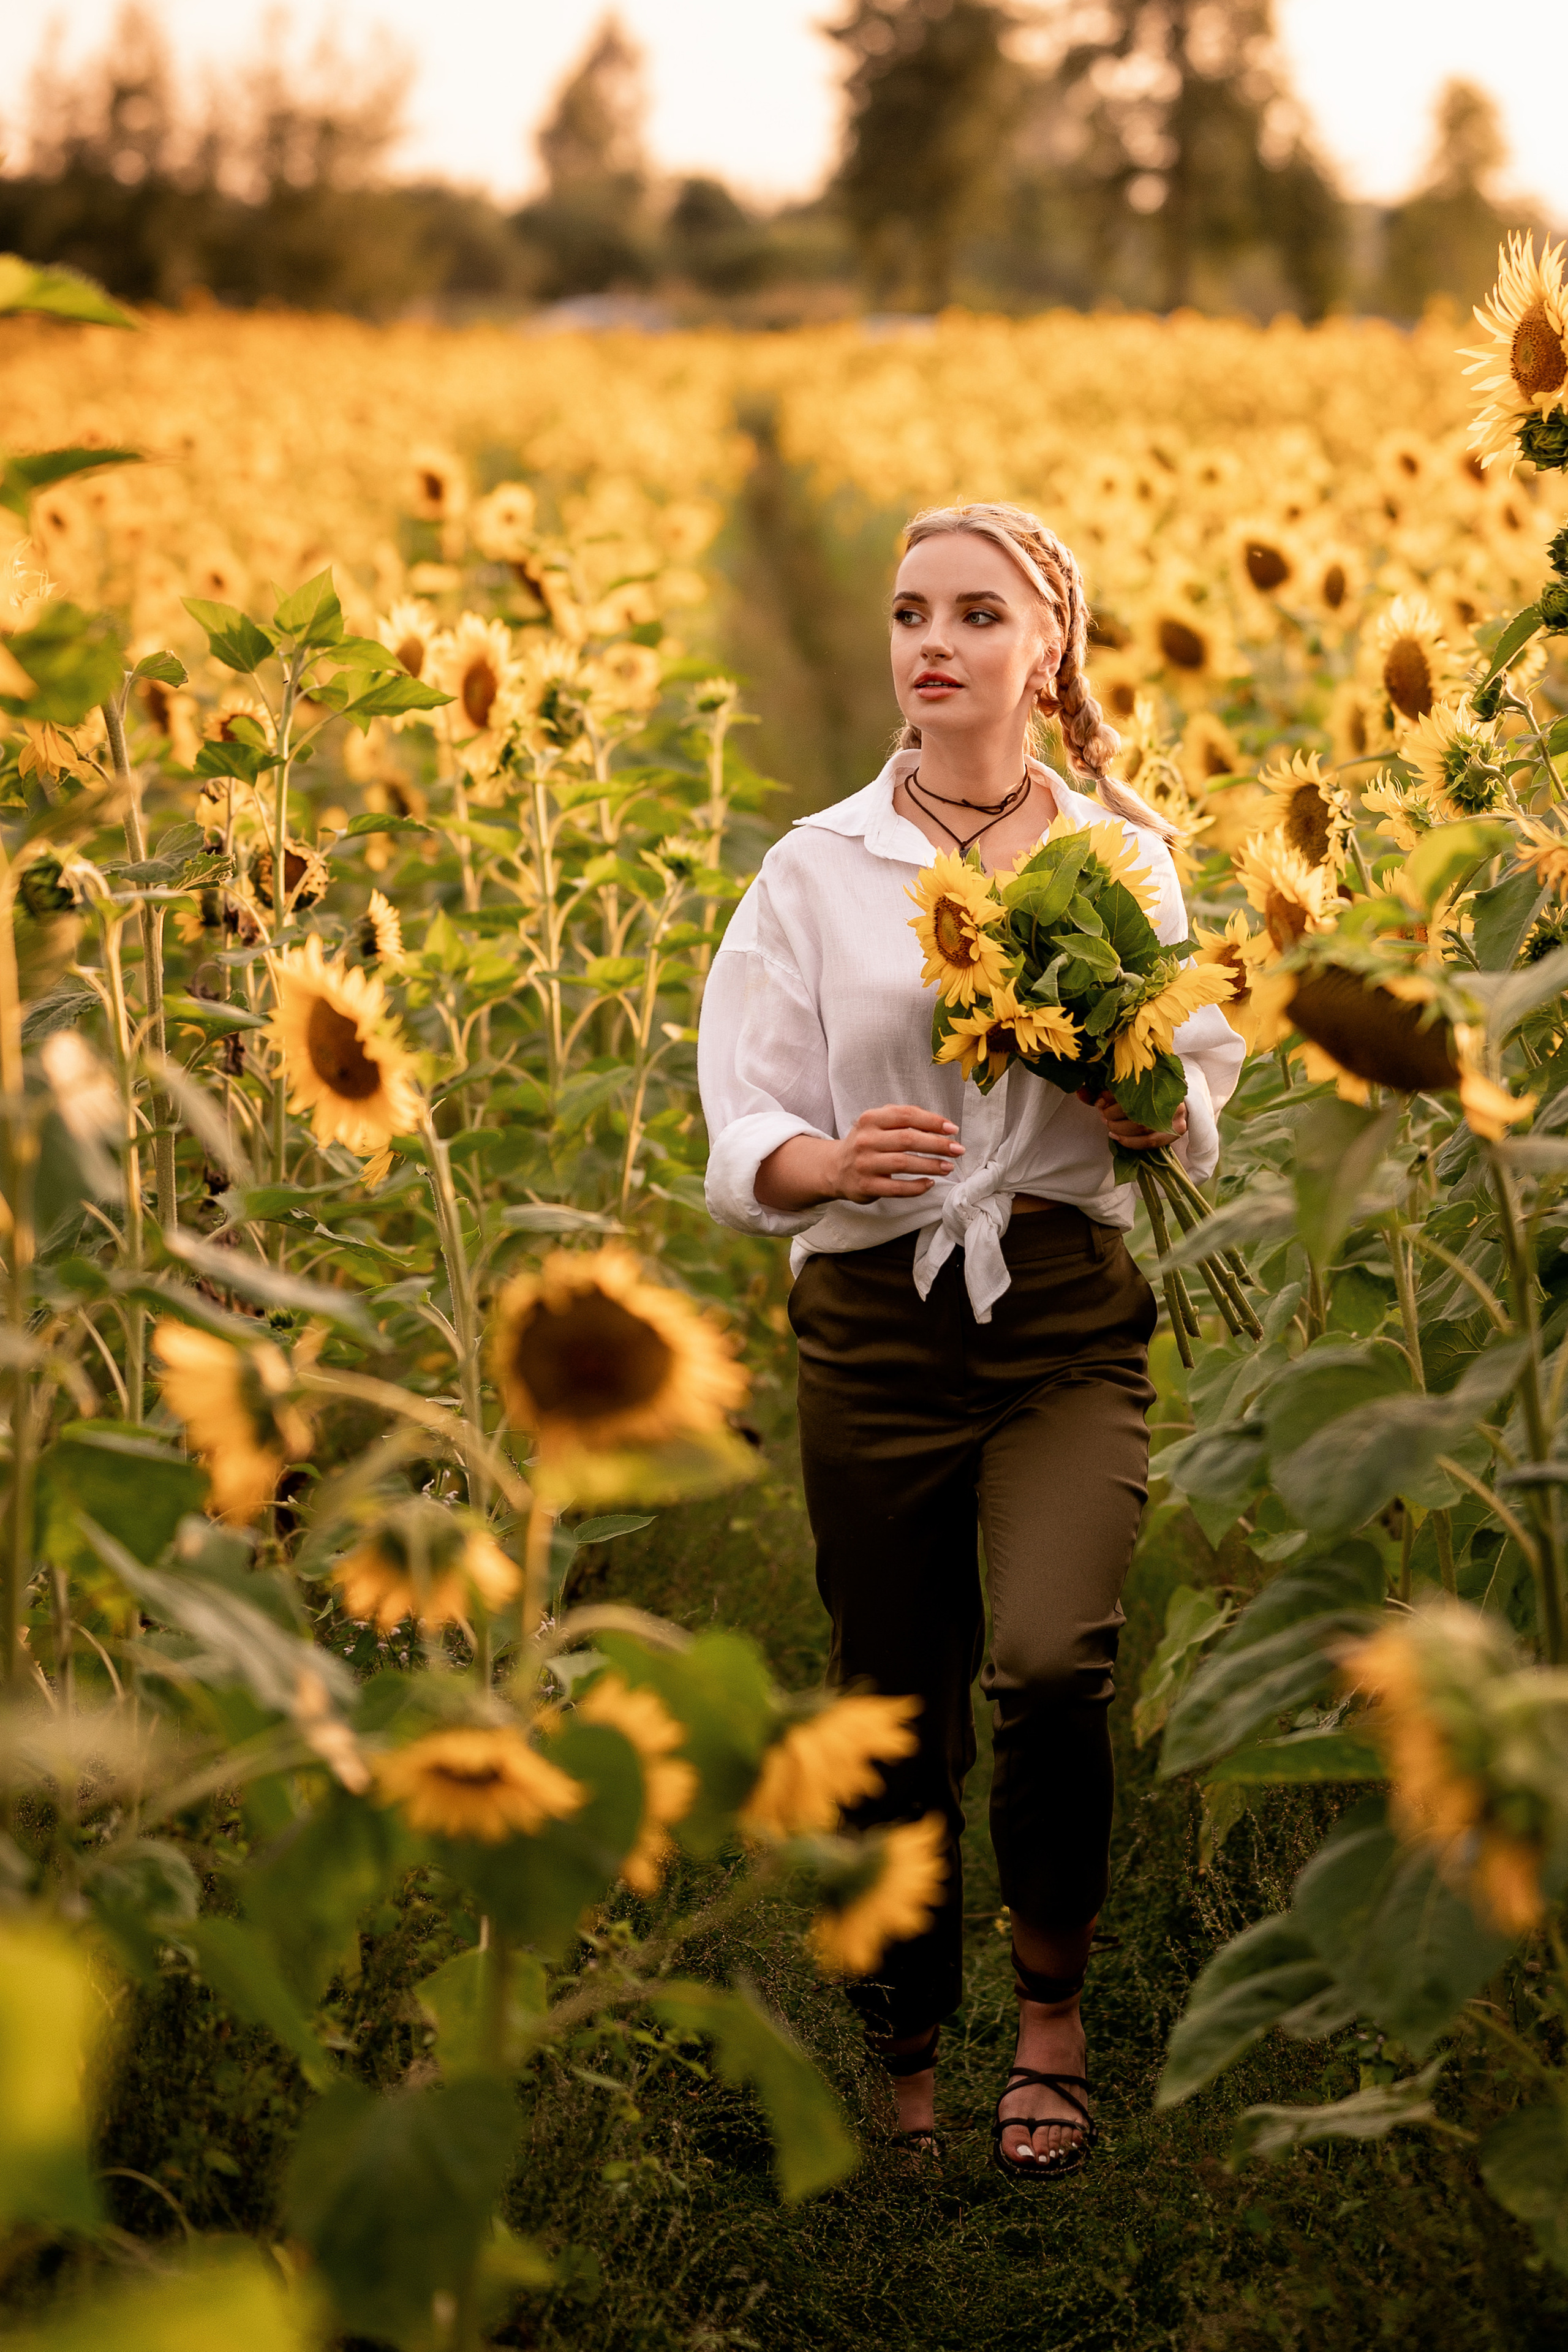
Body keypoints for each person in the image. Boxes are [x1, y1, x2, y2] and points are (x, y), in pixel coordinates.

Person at [696, 502, 1243, 2185]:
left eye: (976, 615)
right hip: (872, 1324)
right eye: (910, 612)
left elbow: (1196, 1092)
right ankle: (904, 2037)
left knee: (1055, 1663)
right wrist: (826, 1161)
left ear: (1046, 651)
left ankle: (1055, 2013)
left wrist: (1128, 1091)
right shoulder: (816, 867)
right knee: (894, 1701)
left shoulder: (1121, 860)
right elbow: (741, 1116)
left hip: (1066, 1314)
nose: (933, 642)